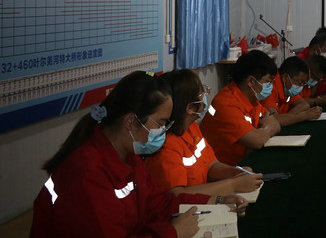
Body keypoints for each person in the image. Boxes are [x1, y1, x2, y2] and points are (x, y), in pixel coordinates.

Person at [31, 71, 243, 238]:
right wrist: (174, 233)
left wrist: (217, 201)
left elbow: (159, 203)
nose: (164, 130)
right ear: (131, 121)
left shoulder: (128, 156)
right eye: (161, 123)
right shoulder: (87, 173)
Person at [145, 69, 264, 197]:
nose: (205, 96)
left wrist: (235, 172)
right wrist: (233, 185)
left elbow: (211, 165)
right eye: (202, 93)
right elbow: (177, 195)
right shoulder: (166, 146)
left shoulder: (191, 127)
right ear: (190, 108)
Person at [200, 50, 282, 166]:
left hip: (243, 161)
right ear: (251, 81)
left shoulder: (251, 99)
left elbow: (275, 124)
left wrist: (262, 133)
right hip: (224, 168)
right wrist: (265, 131)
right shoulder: (226, 104)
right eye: (267, 82)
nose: (271, 87)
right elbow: (257, 141)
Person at [263, 55, 324, 125]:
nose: (301, 86)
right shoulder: (269, 87)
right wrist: (305, 115)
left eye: (303, 83)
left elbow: (304, 104)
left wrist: (288, 119)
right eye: (300, 82)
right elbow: (274, 120)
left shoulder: (287, 87)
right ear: (286, 77)